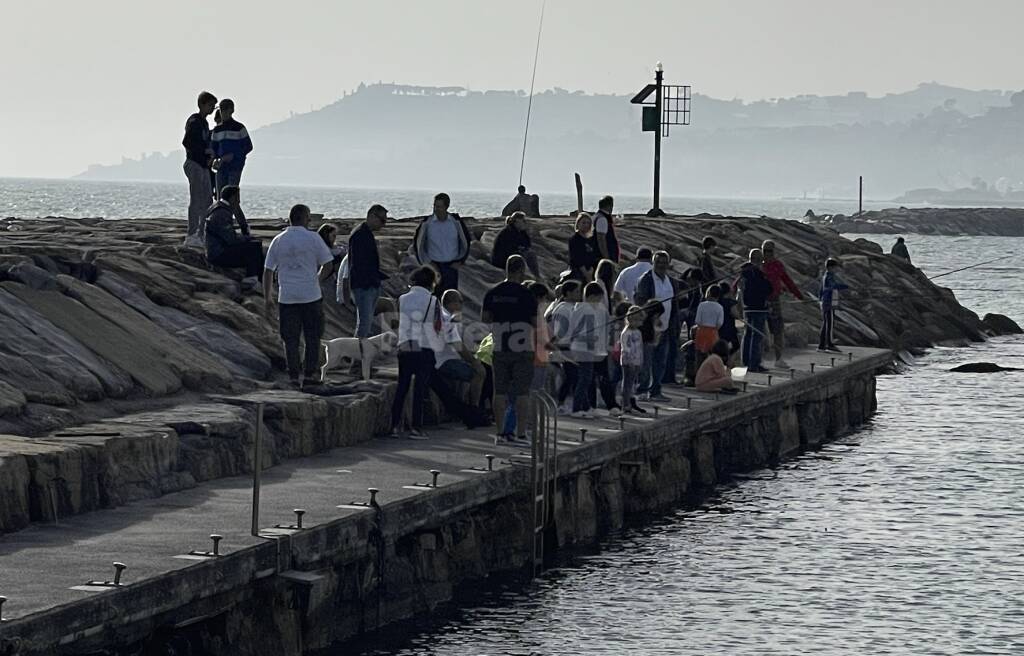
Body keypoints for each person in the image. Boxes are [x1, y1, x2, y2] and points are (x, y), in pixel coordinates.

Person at [263, 204, 335, 387]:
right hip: (311, 295)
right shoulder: (313, 238)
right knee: (313, 336)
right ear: (304, 218)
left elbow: (268, 271)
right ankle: (310, 374)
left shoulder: (278, 240)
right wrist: (316, 280)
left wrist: (268, 297)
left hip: (287, 297)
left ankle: (293, 376)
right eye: (309, 217)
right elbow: (328, 264)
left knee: (290, 339)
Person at [481, 255, 537, 444]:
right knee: (522, 392)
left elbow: (485, 318)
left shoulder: (493, 292)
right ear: (521, 270)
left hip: (499, 346)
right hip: (522, 347)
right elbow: (535, 322)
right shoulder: (527, 294)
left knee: (500, 391)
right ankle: (520, 433)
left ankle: (500, 433)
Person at [390, 266, 442, 439]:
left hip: (405, 345)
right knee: (420, 388)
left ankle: (394, 426)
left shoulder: (402, 299)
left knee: (402, 386)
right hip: (424, 346)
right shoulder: (433, 300)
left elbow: (396, 321)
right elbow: (437, 326)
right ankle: (416, 428)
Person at [412, 193, 473, 296]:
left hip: (451, 267)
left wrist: (461, 261)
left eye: (439, 206)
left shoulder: (455, 222)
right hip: (433, 266)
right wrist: (426, 262)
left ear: (446, 207)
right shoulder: (427, 223)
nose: (436, 209)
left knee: (450, 299)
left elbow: (466, 241)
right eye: (435, 206)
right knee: (433, 298)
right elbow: (417, 244)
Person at [634, 251, 675, 402]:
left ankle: (656, 390)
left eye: (664, 262)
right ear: (653, 263)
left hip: (665, 327)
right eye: (658, 262)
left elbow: (673, 303)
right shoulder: (645, 279)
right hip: (649, 328)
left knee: (660, 361)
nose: (662, 265)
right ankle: (642, 389)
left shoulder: (670, 281)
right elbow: (640, 302)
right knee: (646, 361)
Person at [203, 185, 262, 288]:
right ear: (232, 198)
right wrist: (247, 238)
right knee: (254, 248)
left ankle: (257, 278)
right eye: (237, 197)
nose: (238, 201)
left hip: (217, 249)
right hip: (218, 254)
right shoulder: (221, 213)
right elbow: (231, 240)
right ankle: (252, 278)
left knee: (254, 246)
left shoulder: (217, 207)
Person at [435, 290, 486, 408]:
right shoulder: (447, 319)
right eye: (460, 302)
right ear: (452, 303)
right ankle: (474, 409)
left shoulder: (446, 316)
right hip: (443, 361)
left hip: (446, 358)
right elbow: (457, 345)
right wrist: (474, 362)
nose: (461, 306)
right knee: (479, 373)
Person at [347, 205, 390, 338]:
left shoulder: (365, 233)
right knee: (364, 324)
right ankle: (358, 353)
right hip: (364, 285)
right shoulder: (360, 234)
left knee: (366, 323)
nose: (383, 225)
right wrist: (371, 280)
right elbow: (359, 263)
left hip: (368, 283)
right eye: (382, 220)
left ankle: (358, 353)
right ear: (372, 216)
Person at [761, 239, 804, 370]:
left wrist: (799, 295)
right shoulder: (757, 266)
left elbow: (787, 280)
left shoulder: (777, 265)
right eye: (765, 251)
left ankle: (778, 359)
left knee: (778, 330)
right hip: (761, 302)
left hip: (774, 301)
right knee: (761, 331)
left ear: (774, 252)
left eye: (770, 251)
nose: (767, 253)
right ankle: (758, 360)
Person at [182, 91, 217, 248]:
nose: (212, 109)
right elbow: (188, 142)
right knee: (196, 199)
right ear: (202, 104)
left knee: (208, 200)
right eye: (210, 105)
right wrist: (203, 151)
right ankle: (192, 233)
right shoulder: (194, 121)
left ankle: (201, 233)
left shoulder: (204, 123)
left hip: (203, 165)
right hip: (194, 163)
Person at [569, 282, 608, 418]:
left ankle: (586, 407)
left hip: (579, 348)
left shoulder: (578, 308)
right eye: (598, 299)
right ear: (591, 296)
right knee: (585, 379)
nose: (599, 302)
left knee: (587, 378)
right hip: (584, 349)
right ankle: (577, 408)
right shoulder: (588, 310)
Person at [738, 249, 774, 374]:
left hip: (747, 307)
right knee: (757, 336)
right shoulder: (757, 273)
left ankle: (745, 362)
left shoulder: (744, 272)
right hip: (758, 308)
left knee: (747, 335)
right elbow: (767, 288)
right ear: (758, 260)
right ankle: (754, 364)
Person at [547, 280, 580, 413]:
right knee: (571, 376)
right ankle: (560, 404)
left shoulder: (571, 307)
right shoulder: (563, 309)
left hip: (570, 346)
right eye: (577, 291)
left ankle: (563, 403)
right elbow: (560, 331)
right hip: (565, 347)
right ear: (568, 293)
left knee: (572, 376)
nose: (579, 294)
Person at [210, 98, 253, 196]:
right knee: (220, 196)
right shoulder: (217, 130)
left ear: (232, 110)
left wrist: (234, 155)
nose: (223, 112)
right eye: (221, 109)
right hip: (221, 168)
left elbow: (248, 146)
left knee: (231, 196)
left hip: (235, 167)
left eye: (226, 109)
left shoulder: (239, 128)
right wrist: (215, 160)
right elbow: (214, 149)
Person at [491, 211, 540, 278]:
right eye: (523, 220)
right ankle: (536, 276)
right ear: (517, 221)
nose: (525, 223)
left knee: (530, 253)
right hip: (502, 260)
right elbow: (508, 249)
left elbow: (527, 244)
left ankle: (535, 275)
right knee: (530, 255)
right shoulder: (508, 232)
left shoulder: (520, 232)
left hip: (511, 255)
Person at [818, 257, 850, 353]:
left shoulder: (825, 276)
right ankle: (830, 344)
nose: (837, 269)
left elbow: (821, 290)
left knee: (825, 324)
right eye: (835, 267)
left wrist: (820, 299)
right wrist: (845, 286)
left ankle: (822, 345)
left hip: (824, 302)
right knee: (829, 324)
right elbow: (833, 286)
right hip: (828, 303)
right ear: (831, 267)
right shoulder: (829, 276)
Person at [619, 305, 646, 414]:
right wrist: (630, 360)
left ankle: (631, 401)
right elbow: (625, 348)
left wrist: (640, 360)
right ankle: (625, 403)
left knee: (633, 383)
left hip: (636, 360)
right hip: (628, 361)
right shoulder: (626, 333)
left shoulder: (638, 332)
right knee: (627, 382)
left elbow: (640, 347)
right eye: (637, 321)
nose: (639, 323)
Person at [567, 213, 599, 282]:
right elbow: (577, 258)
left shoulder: (591, 239)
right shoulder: (574, 240)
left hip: (592, 270)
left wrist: (591, 270)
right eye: (583, 223)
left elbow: (594, 255)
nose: (586, 225)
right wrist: (586, 274)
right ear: (578, 224)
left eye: (588, 223)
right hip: (578, 272)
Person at [693, 285, 725, 354]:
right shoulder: (719, 307)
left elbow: (697, 321)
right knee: (713, 352)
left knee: (700, 354)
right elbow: (720, 323)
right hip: (713, 332)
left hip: (701, 331)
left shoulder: (701, 305)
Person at [717, 281, 741, 358]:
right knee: (736, 345)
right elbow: (736, 315)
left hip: (719, 327)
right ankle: (728, 358)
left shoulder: (718, 302)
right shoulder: (730, 302)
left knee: (722, 345)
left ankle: (724, 358)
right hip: (729, 327)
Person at [593, 195, 620, 263]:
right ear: (609, 206)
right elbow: (601, 239)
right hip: (603, 257)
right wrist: (607, 258)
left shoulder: (596, 216)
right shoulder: (602, 219)